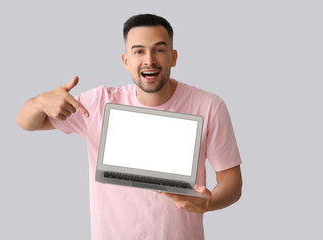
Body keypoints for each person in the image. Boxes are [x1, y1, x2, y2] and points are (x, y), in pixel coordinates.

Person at [17, 14, 242, 240]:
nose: (149, 60)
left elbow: (232, 182)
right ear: (126, 61)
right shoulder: (98, 103)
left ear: (173, 57)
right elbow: (27, 122)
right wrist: (39, 102)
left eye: (159, 50)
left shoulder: (209, 106)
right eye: (139, 51)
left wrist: (208, 203)